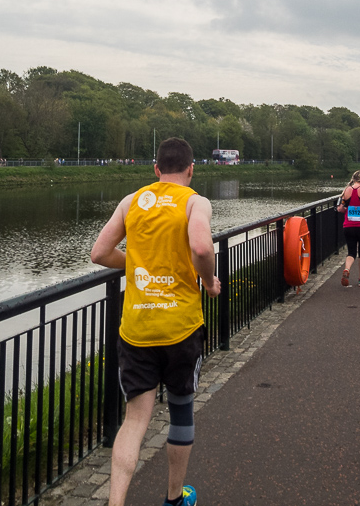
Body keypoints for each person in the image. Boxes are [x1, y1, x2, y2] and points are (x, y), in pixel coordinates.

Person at [90, 138, 220, 506]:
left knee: (134, 421)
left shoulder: (132, 201)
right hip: (180, 328)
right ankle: (174, 499)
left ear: (156, 168)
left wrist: (135, 263)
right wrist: (209, 283)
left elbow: (99, 253)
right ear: (191, 169)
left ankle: (115, 503)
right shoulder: (195, 201)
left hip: (137, 328)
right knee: (180, 409)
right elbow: (200, 246)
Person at [337, 170, 360, 287]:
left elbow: (340, 208)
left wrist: (347, 210)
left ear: (353, 179)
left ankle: (347, 269)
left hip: (349, 226)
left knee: (351, 251)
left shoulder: (346, 191)